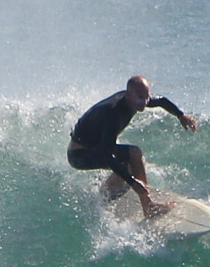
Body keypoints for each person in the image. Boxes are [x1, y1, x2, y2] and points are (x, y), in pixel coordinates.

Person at [67, 75, 197, 217]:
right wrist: (133, 183)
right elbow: (106, 153)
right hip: (79, 154)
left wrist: (180, 115)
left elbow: (162, 101)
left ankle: (104, 195)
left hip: (95, 147)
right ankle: (149, 206)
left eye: (147, 97)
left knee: (130, 166)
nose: (145, 102)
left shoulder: (137, 100)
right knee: (134, 154)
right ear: (129, 95)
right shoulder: (113, 113)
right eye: (141, 98)